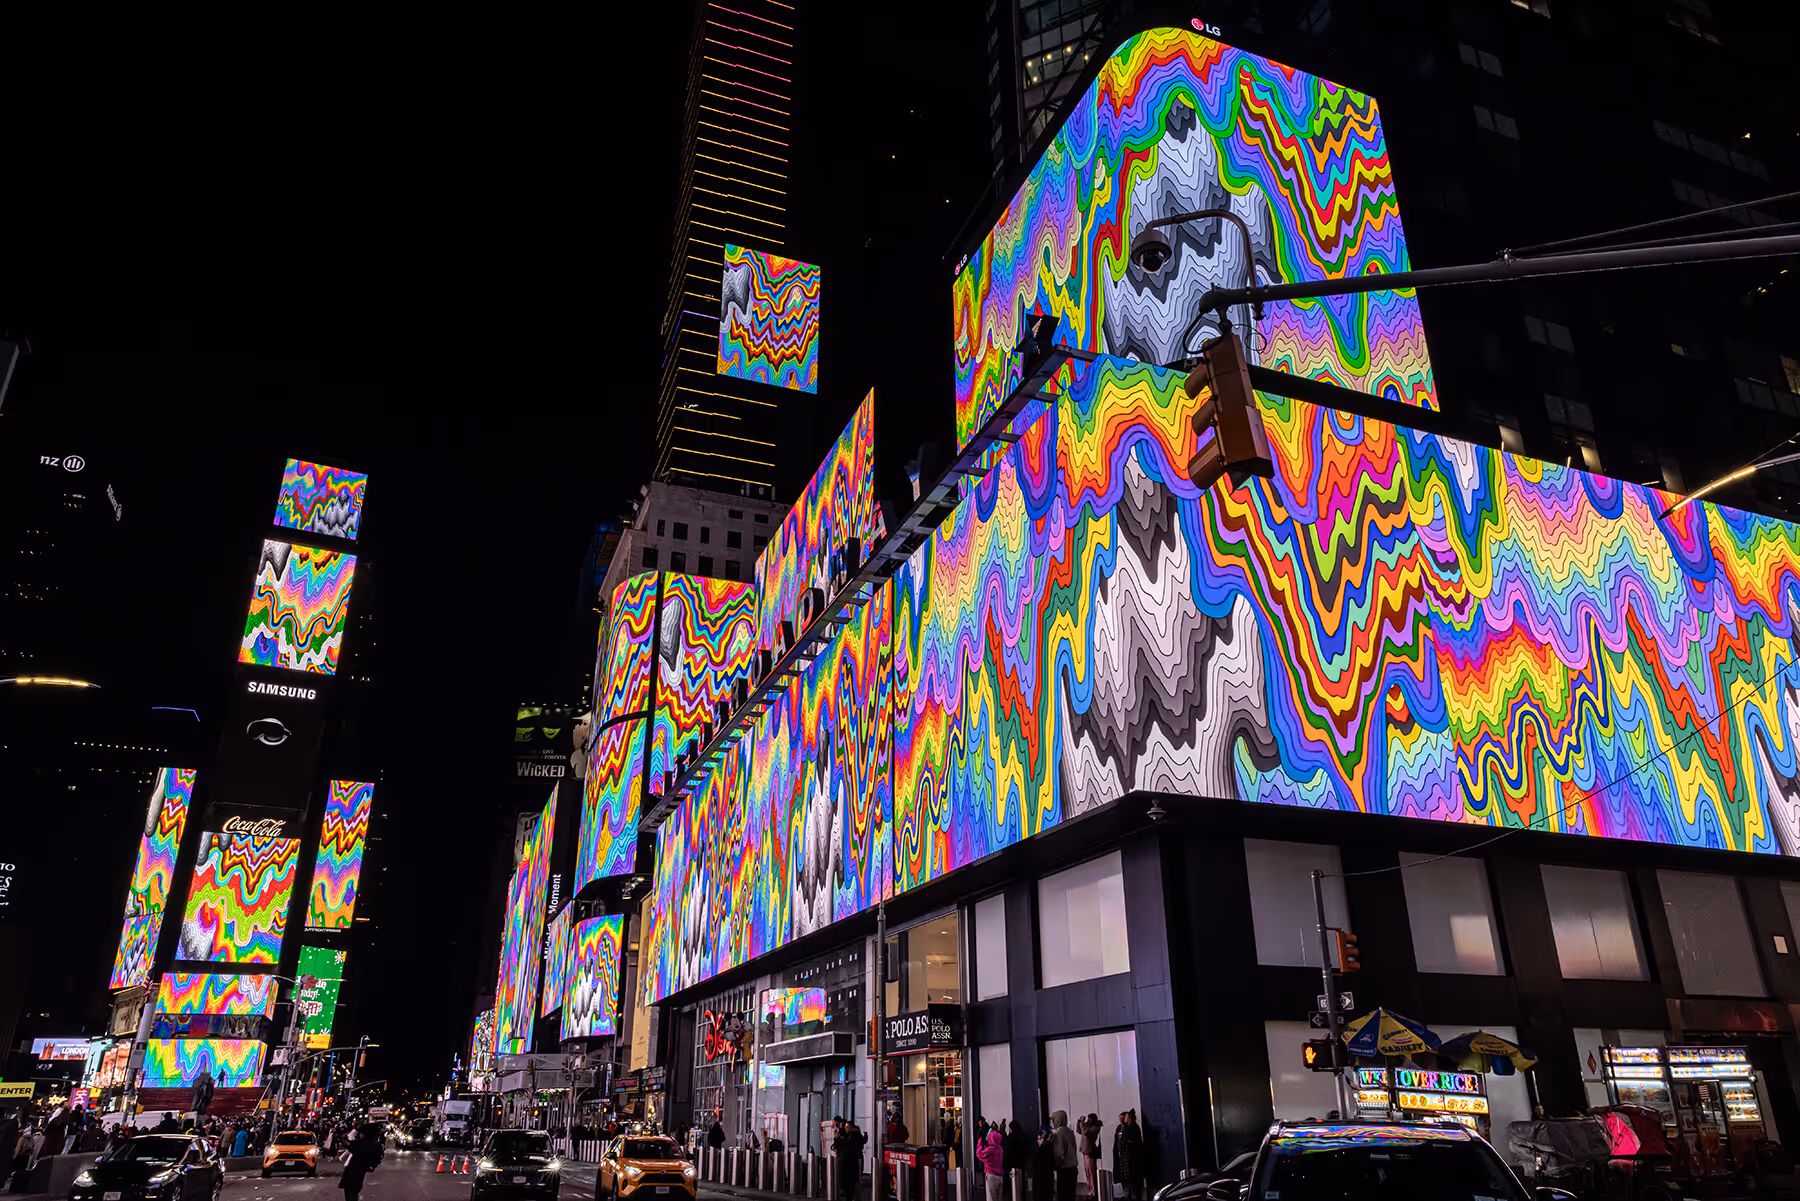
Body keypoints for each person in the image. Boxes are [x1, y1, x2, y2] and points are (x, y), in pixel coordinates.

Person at [338, 1125, 382, 1201]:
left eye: (361, 1133)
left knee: (351, 1194)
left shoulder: (367, 1145)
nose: (360, 1135)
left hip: (355, 1174)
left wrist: (347, 1146)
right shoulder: (368, 1144)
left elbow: (358, 1151)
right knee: (350, 1193)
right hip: (355, 1174)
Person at [1111, 1113, 1143, 1201]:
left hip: (1131, 1161)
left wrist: (1123, 1126)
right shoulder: (1119, 1128)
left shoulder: (1134, 1128)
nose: (1121, 1120)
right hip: (1122, 1161)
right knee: (1124, 1183)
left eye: (1123, 1118)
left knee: (1133, 1184)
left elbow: (1131, 1138)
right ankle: (1126, 1195)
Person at [1049, 1112, 1076, 1201]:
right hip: (1073, 1167)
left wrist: (1056, 1165)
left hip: (1064, 1168)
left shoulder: (1059, 1133)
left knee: (1063, 1195)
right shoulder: (1069, 1131)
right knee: (1071, 1195)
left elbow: (1058, 1152)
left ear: (1058, 1120)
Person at [977, 1129, 1006, 1201]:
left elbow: (979, 1154)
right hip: (1000, 1177)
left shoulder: (990, 1150)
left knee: (991, 1198)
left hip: (991, 1176)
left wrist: (980, 1142)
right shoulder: (1000, 1149)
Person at [1029, 1127, 1056, 1201]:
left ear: (1043, 1139)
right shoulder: (1050, 1149)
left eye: (1039, 1139)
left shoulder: (1041, 1151)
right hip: (1048, 1180)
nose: (1038, 1141)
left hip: (1040, 1181)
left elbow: (1034, 1163)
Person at [1079, 1115, 1101, 1199]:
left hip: (1090, 1151)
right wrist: (1079, 1123)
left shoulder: (1095, 1127)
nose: (1088, 1120)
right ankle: (1090, 1190)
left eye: (1089, 1119)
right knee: (1087, 1172)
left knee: (1092, 1172)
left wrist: (1082, 1122)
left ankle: (1094, 1191)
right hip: (1085, 1151)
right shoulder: (1088, 1126)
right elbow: (1080, 1131)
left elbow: (1085, 1132)